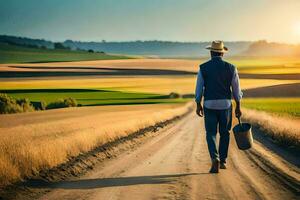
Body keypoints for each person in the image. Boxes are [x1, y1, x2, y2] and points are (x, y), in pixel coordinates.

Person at [195, 41, 243, 173]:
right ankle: (223, 161)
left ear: (211, 53)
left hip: (209, 104)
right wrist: (238, 106)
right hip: (225, 104)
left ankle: (214, 158)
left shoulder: (203, 68)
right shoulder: (231, 67)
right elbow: (236, 90)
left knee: (210, 133)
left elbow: (199, 88)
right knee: (225, 133)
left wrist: (198, 103)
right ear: (222, 53)